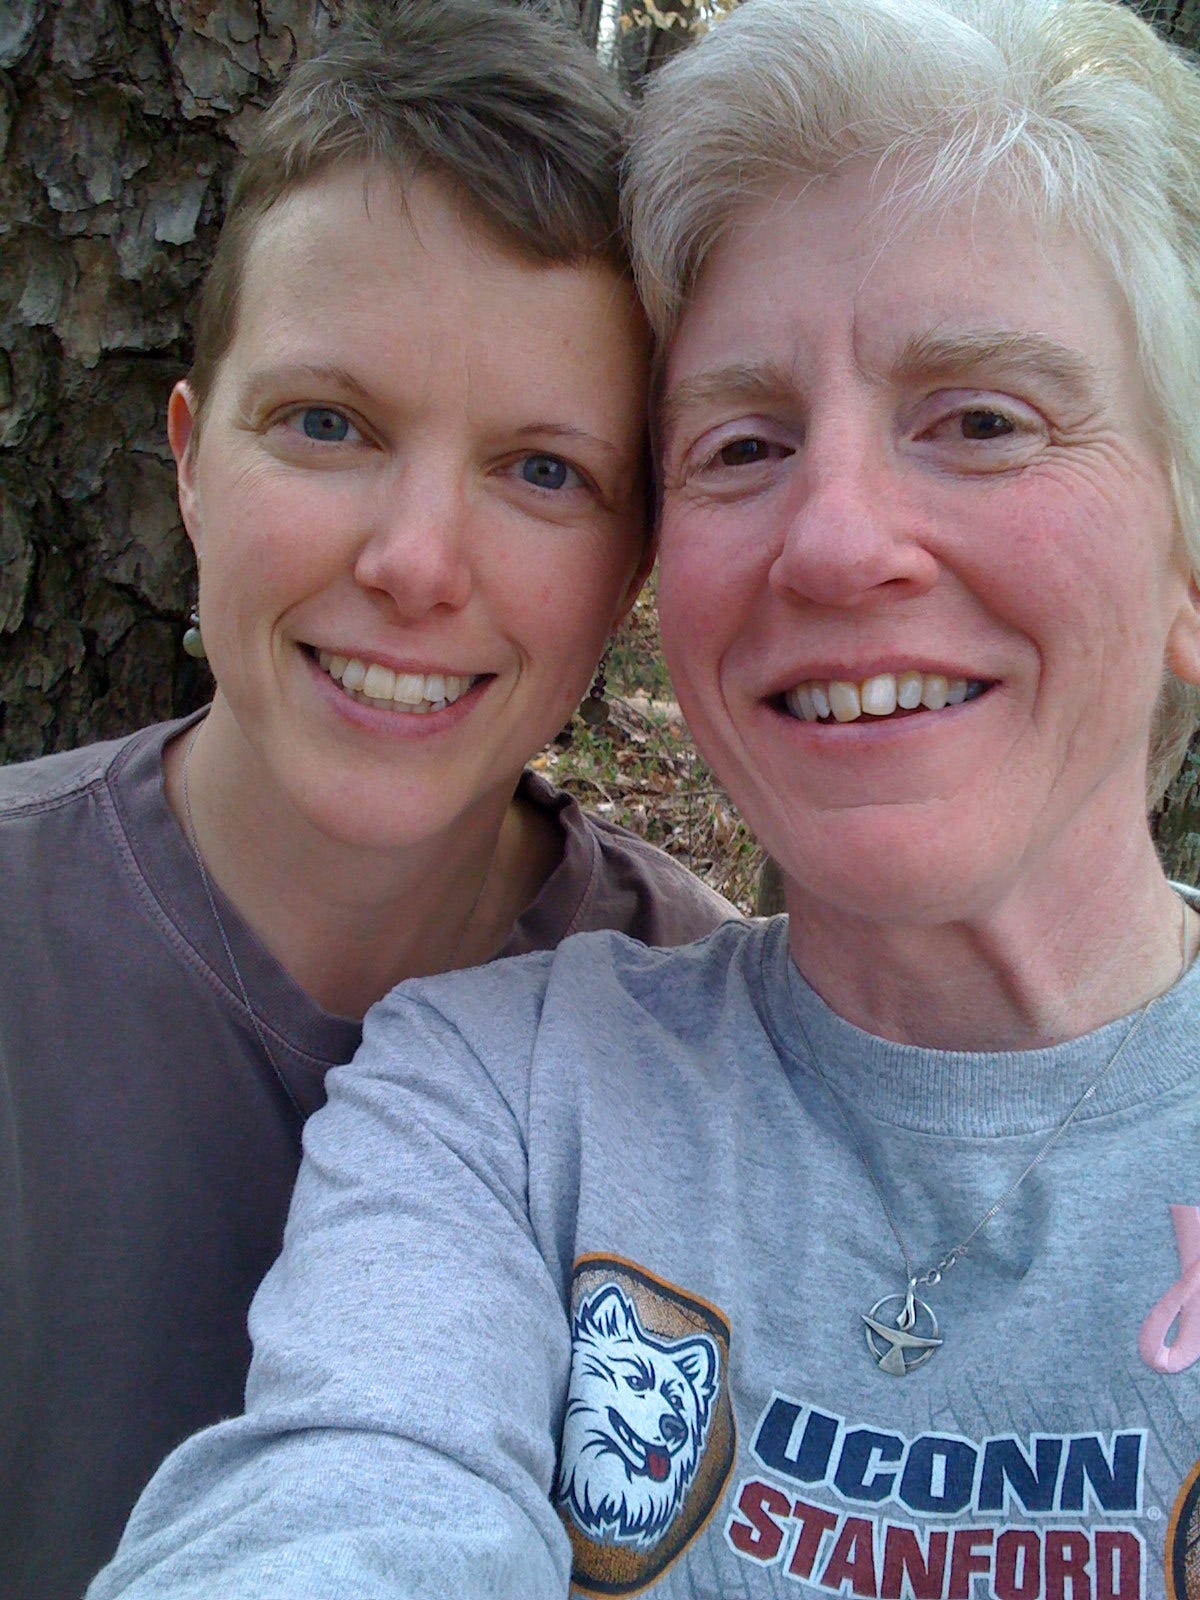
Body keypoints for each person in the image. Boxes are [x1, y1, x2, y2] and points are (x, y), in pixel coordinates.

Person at [86, 0, 1200, 1595]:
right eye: (743, 445)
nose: (835, 542)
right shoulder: (509, 1090)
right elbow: (354, 1495)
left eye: (981, 421)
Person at [0, 5, 740, 1596]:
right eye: (326, 424)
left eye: (543, 470)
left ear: (632, 566)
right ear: (191, 462)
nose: (414, 562)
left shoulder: (720, 1036)